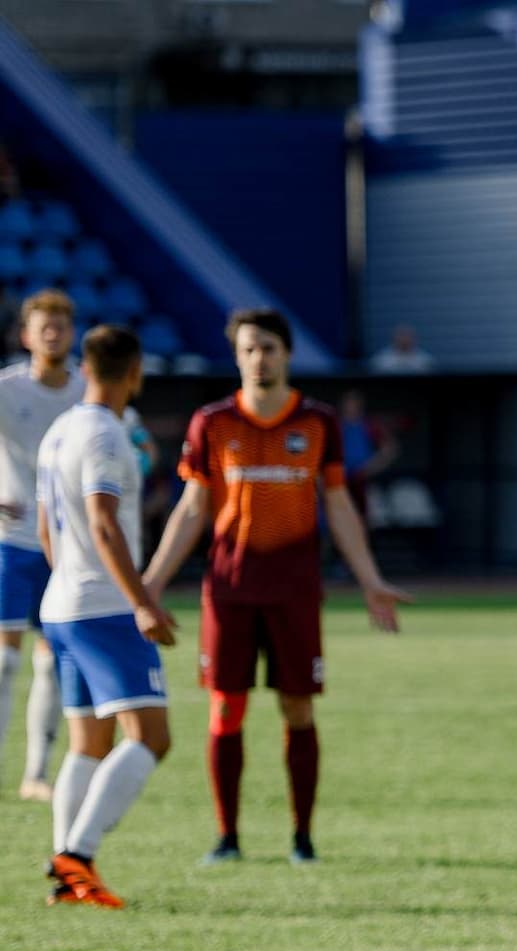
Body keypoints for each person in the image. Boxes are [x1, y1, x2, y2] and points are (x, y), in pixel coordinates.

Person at [143, 308, 413, 866]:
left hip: (294, 588)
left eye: (267, 347)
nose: (258, 358)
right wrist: (149, 584)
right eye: (248, 348)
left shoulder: (318, 423)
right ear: (236, 356)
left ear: (286, 353)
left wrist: (370, 581)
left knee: (298, 710)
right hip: (229, 589)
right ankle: (227, 838)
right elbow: (192, 509)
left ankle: (302, 839)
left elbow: (338, 505)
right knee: (226, 710)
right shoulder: (212, 422)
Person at [36, 325, 175, 908]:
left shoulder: (59, 428)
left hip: (61, 603)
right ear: (134, 372)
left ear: (85, 366)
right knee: (151, 737)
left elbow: (47, 528)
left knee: (87, 744)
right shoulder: (106, 434)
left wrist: (67, 577)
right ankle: (79, 855)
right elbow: (103, 520)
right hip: (105, 607)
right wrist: (142, 600)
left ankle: (70, 880)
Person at [0, 290, 85, 802]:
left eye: (60, 325)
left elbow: (128, 446)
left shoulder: (87, 390)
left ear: (71, 333)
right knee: (6, 660)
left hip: (67, 547)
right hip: (12, 543)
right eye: (43, 326)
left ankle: (36, 773)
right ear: (26, 335)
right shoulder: (7, 390)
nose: (52, 333)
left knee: (51, 659)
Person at [338, 389, 400, 523]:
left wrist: (371, 468)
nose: (349, 406)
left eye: (353, 403)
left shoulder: (369, 425)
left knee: (364, 520)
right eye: (347, 403)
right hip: (340, 482)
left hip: (364, 482)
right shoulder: (337, 425)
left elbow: (389, 449)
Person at [370, 324, 435, 374]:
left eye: (407, 336)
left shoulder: (424, 361)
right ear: (394, 338)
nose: (404, 339)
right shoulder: (382, 361)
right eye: (401, 335)